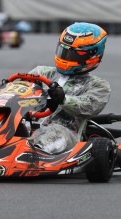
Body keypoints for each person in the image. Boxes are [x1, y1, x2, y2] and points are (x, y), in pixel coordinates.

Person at [28, 22, 111, 154]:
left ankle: (34, 152)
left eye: (73, 55)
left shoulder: (99, 85)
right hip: (28, 124)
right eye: (63, 51)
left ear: (91, 56)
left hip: (65, 132)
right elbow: (18, 89)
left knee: (54, 132)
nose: (65, 58)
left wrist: (63, 99)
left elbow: (89, 106)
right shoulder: (40, 73)